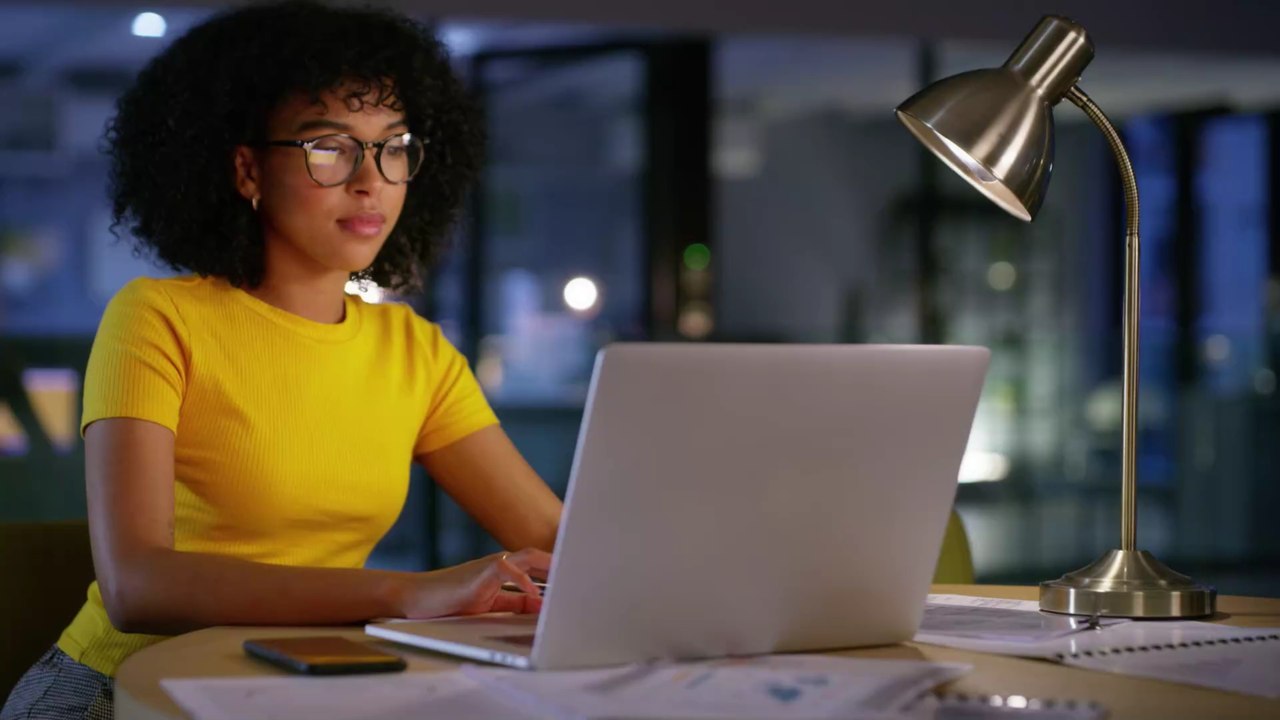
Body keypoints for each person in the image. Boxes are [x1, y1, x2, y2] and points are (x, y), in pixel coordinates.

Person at [1, 2, 563, 718]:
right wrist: (408, 591)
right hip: (118, 692)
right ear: (246, 169)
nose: (372, 180)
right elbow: (137, 586)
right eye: (329, 147)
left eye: (393, 147)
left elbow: (554, 542)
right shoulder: (159, 317)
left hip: (300, 685)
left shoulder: (415, 351)